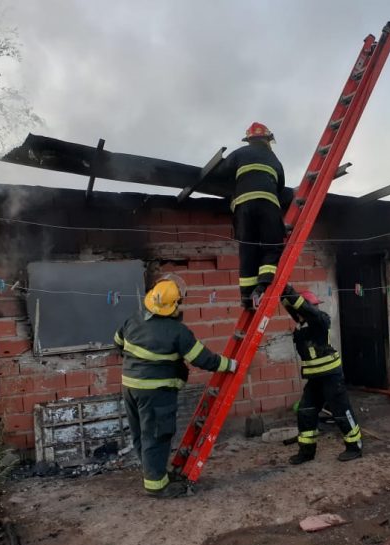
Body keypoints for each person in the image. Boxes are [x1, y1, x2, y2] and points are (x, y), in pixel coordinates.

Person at [114, 278, 237, 497]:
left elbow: (118, 342)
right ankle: (157, 486)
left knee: (141, 434)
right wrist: (230, 364)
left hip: (129, 387)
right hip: (156, 392)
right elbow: (203, 359)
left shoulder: (133, 319)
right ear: (175, 305)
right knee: (157, 435)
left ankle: (154, 473)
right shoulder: (177, 331)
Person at [281, 285, 362, 464]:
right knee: (305, 411)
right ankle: (307, 451)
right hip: (315, 378)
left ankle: (354, 447)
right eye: (314, 305)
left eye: (315, 306)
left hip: (331, 376)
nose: (316, 308)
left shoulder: (320, 320)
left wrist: (288, 290)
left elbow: (307, 310)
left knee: (341, 412)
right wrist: (278, 291)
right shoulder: (300, 325)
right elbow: (292, 307)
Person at [218, 122, 287, 309]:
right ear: (267, 139)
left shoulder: (239, 153)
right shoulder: (274, 159)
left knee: (247, 249)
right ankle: (263, 285)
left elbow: (221, 171)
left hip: (243, 208)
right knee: (272, 246)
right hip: (268, 205)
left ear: (249, 140)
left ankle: (247, 298)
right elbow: (280, 186)